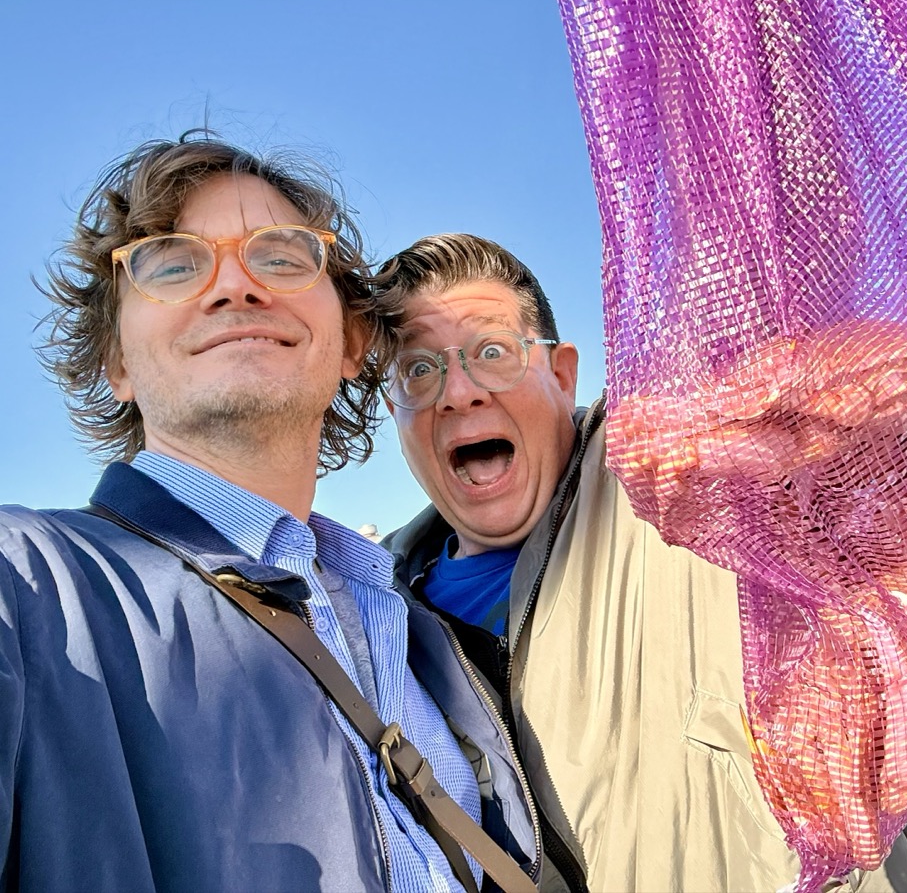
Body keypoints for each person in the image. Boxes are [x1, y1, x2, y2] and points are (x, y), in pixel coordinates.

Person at [0, 137, 537, 892]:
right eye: (172, 265)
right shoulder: (26, 586)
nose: (234, 286)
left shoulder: (420, 628)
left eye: (282, 257)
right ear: (116, 362)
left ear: (353, 341)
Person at [378, 233, 907, 893]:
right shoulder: (375, 616)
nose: (456, 392)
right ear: (394, 412)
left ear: (562, 374)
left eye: (492, 352)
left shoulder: (681, 477)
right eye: (418, 369)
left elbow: (864, 416)